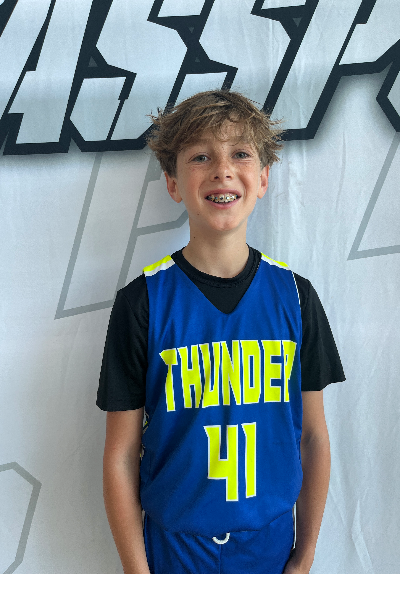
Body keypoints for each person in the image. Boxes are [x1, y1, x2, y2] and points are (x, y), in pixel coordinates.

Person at [96, 90, 345, 574]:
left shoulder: (296, 296)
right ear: (173, 182)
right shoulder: (141, 301)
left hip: (271, 546)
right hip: (174, 549)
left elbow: (313, 437)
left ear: (263, 178)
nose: (222, 171)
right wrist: (136, 569)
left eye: (240, 154)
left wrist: (305, 554)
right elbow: (121, 453)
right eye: (201, 157)